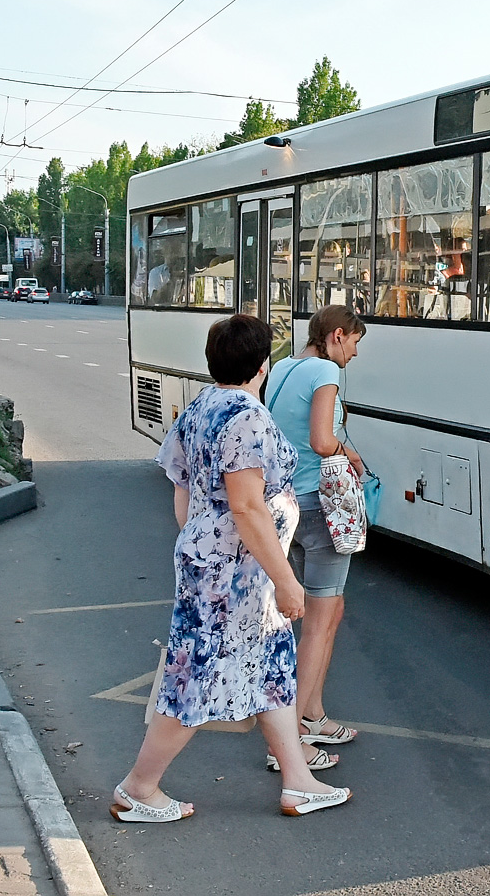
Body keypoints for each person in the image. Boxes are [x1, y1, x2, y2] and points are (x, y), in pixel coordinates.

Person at [112, 314, 351, 821]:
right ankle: (139, 788)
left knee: (271, 670)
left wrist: (199, 541)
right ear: (262, 365)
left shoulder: (200, 407)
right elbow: (246, 506)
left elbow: (183, 488)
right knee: (197, 678)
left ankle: (297, 782)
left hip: (226, 567)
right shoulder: (246, 417)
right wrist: (286, 582)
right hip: (237, 576)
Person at [263, 305, 365, 759]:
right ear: (337, 336)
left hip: (286, 505)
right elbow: (323, 441)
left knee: (329, 612)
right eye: (355, 343)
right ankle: (290, 743)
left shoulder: (284, 366)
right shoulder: (326, 370)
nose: (354, 354)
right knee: (319, 625)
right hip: (320, 503)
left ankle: (313, 715)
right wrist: (350, 454)